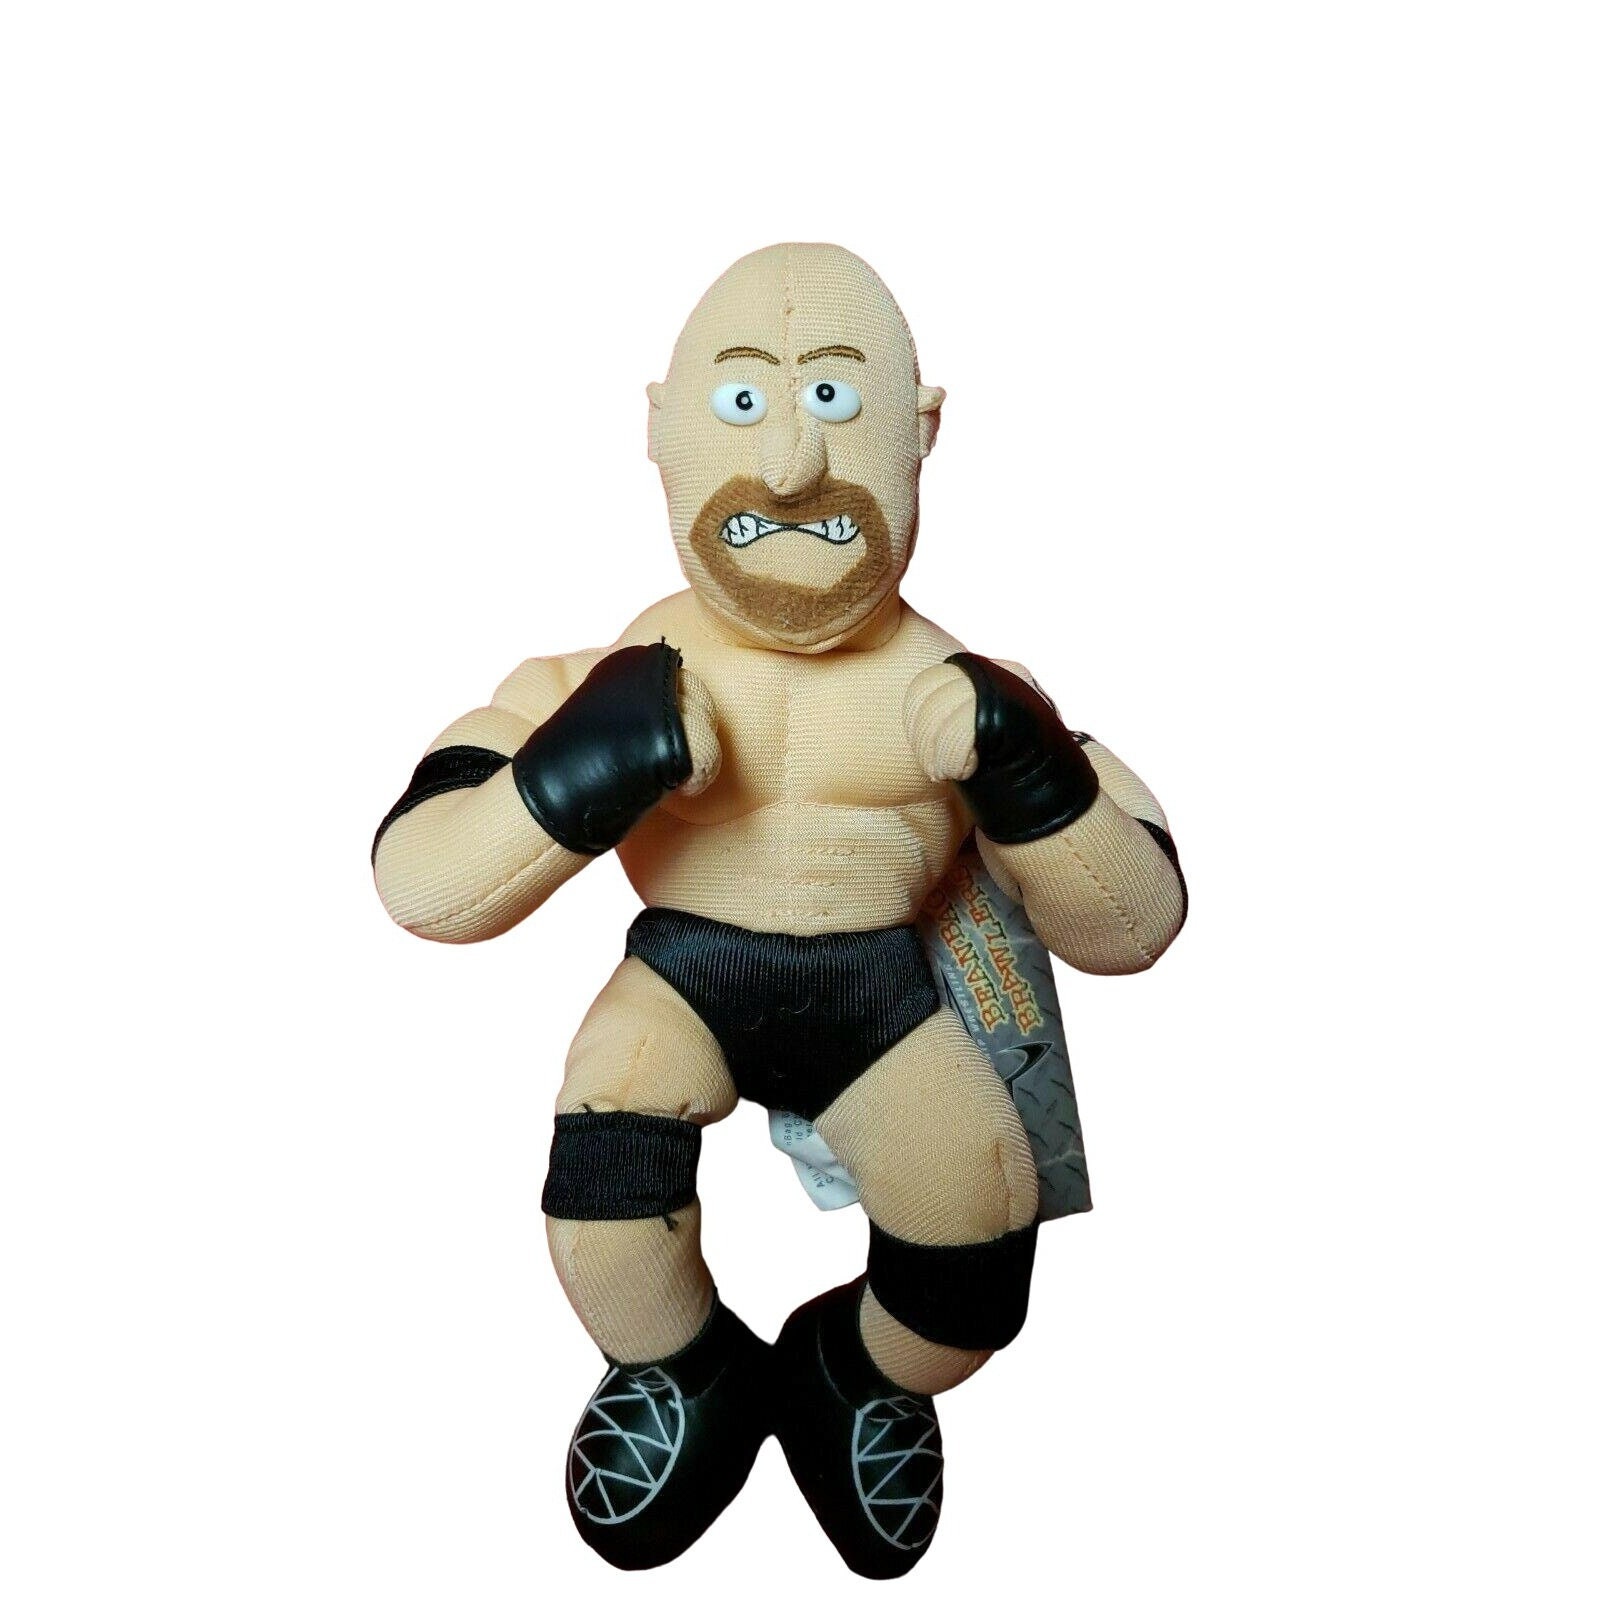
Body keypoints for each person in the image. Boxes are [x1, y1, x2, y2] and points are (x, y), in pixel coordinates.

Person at [372, 243, 1187, 1576]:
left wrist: (1031, 774)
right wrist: (568, 776)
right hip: (684, 982)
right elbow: (422, 879)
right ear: (662, 430)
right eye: (746, 404)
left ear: (921, 434)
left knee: (975, 1260)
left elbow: (1132, 921)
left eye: (835, 403)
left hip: (883, 996)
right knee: (603, 1196)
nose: (795, 466)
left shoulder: (971, 691)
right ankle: (684, 1369)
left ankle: (850, 1373)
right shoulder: (611, 672)